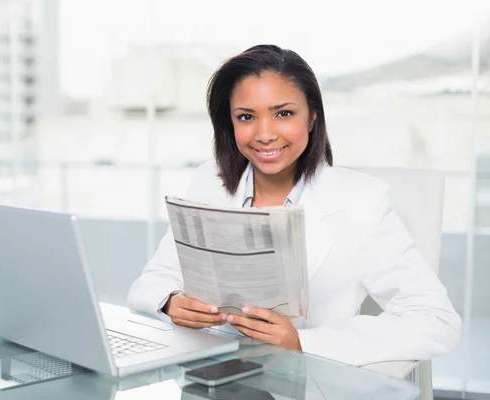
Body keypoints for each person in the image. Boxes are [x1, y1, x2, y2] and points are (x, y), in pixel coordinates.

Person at [127, 44, 461, 366]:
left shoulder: (363, 202)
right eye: (246, 117)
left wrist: (304, 342)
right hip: (210, 375)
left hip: (304, 383)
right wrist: (170, 302)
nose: (265, 134)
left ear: (313, 117)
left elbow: (435, 320)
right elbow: (152, 281)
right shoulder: (209, 180)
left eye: (283, 113)